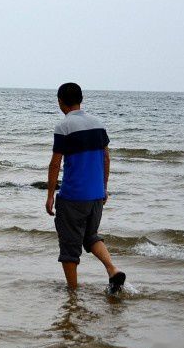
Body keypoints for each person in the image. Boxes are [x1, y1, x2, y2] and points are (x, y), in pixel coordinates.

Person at [45, 82, 126, 293]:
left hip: (73, 196)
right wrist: (104, 187)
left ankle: (73, 296)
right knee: (91, 237)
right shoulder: (98, 123)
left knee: (69, 248)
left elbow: (55, 163)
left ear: (60, 101)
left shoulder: (64, 126)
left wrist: (50, 195)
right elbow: (106, 158)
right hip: (96, 195)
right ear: (81, 100)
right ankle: (112, 269)